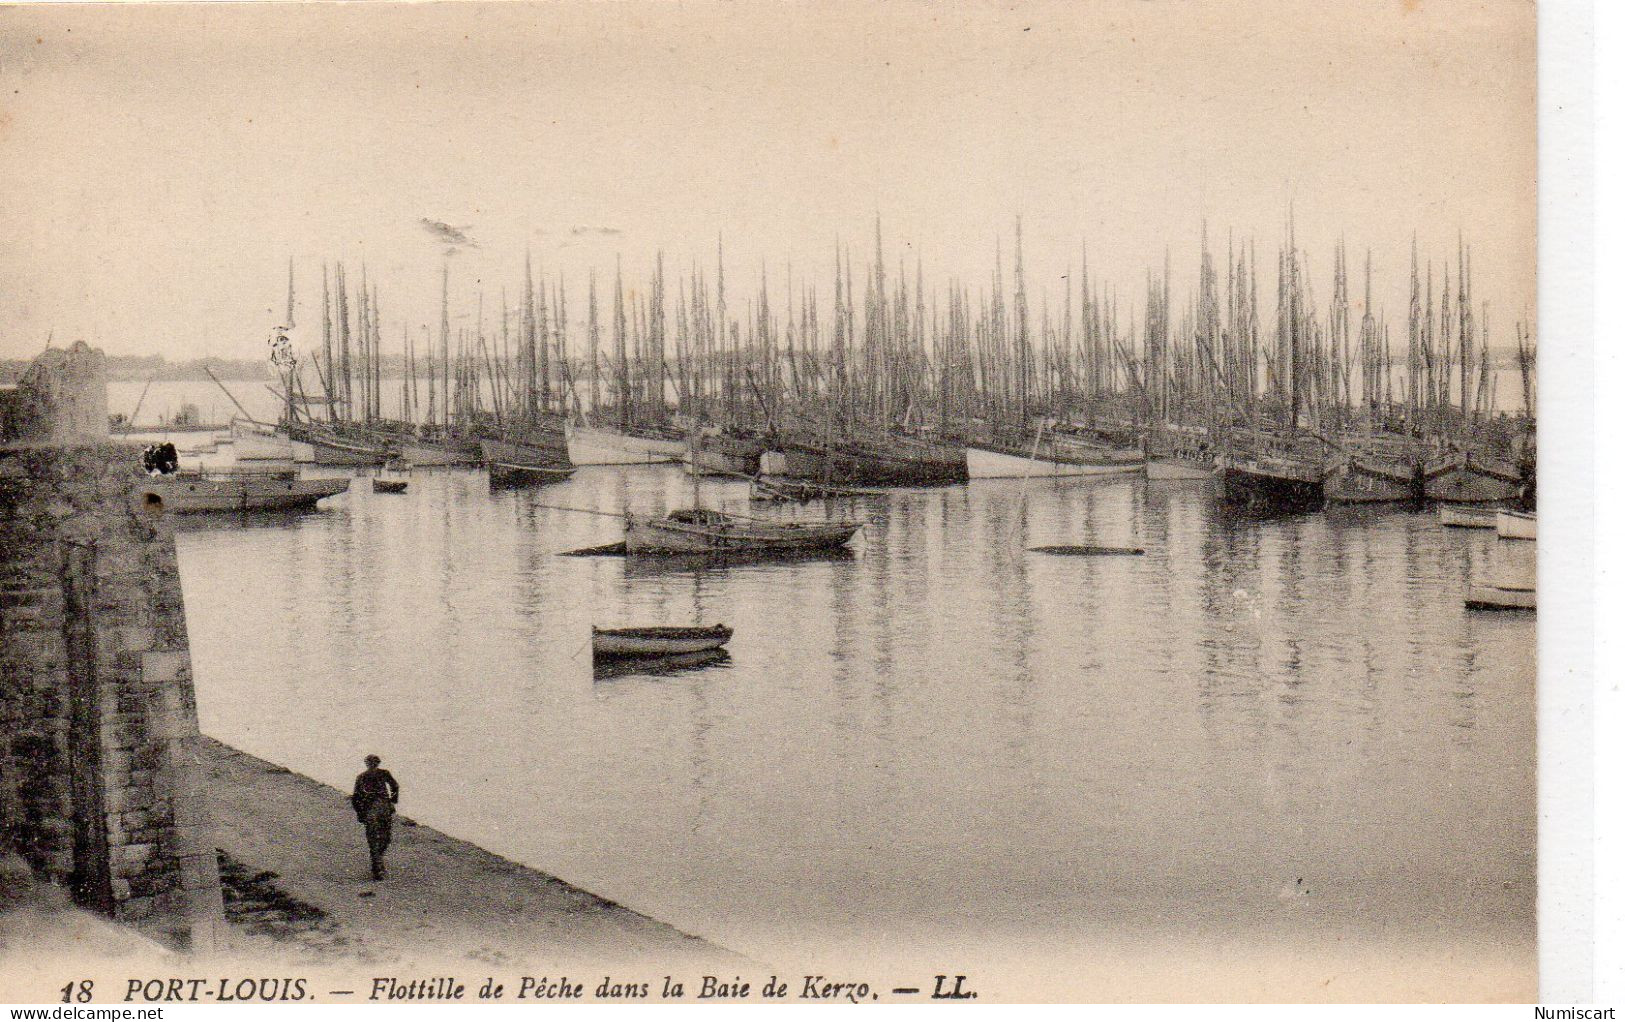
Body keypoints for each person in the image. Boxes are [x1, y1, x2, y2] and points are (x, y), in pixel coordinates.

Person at [350, 755, 400, 880]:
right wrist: (392, 801)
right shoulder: (379, 774)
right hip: (380, 809)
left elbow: (355, 798)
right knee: (384, 837)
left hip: (373, 810)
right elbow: (395, 787)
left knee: (376, 839)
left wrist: (360, 814)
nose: (372, 765)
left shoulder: (363, 777)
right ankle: (378, 866)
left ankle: (377, 865)